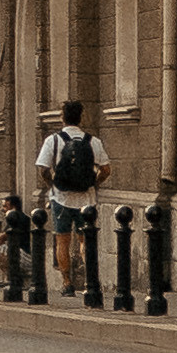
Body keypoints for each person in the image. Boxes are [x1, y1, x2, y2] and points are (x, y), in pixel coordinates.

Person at [34, 96, 108, 291]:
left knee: (62, 241)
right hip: (87, 199)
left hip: (61, 198)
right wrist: (93, 183)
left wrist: (53, 185)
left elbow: (43, 169)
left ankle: (67, 282)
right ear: (81, 117)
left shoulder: (53, 140)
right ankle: (90, 281)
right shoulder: (93, 141)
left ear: (62, 118)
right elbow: (106, 169)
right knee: (85, 240)